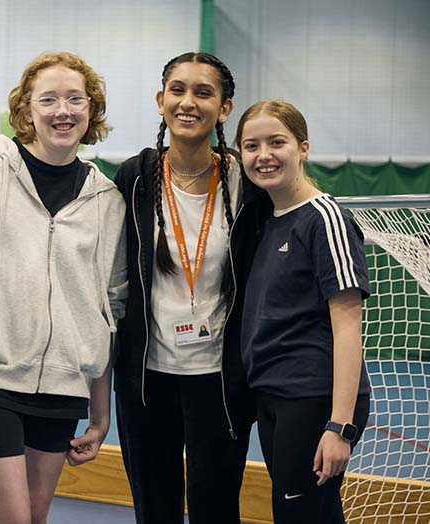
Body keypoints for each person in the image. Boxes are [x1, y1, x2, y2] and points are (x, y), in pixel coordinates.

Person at [0, 51, 127, 524]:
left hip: (65, 388)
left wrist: (100, 413)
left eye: (75, 100)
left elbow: (107, 310)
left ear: (92, 110)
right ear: (25, 110)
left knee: (35, 517)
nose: (62, 111)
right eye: (48, 100)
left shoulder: (106, 199)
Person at [113, 51, 258, 524]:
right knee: (155, 511)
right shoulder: (134, 178)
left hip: (219, 381)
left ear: (226, 107)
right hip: (146, 381)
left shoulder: (245, 182)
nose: (188, 102)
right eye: (177, 90)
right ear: (160, 100)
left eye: (203, 92)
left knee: (216, 509)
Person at [234, 100, 371, 524]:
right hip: (274, 395)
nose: (264, 155)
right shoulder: (267, 218)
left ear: (303, 148)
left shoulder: (324, 218)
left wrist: (339, 427)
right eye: (251, 146)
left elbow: (348, 325)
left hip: (313, 400)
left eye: (278, 142)